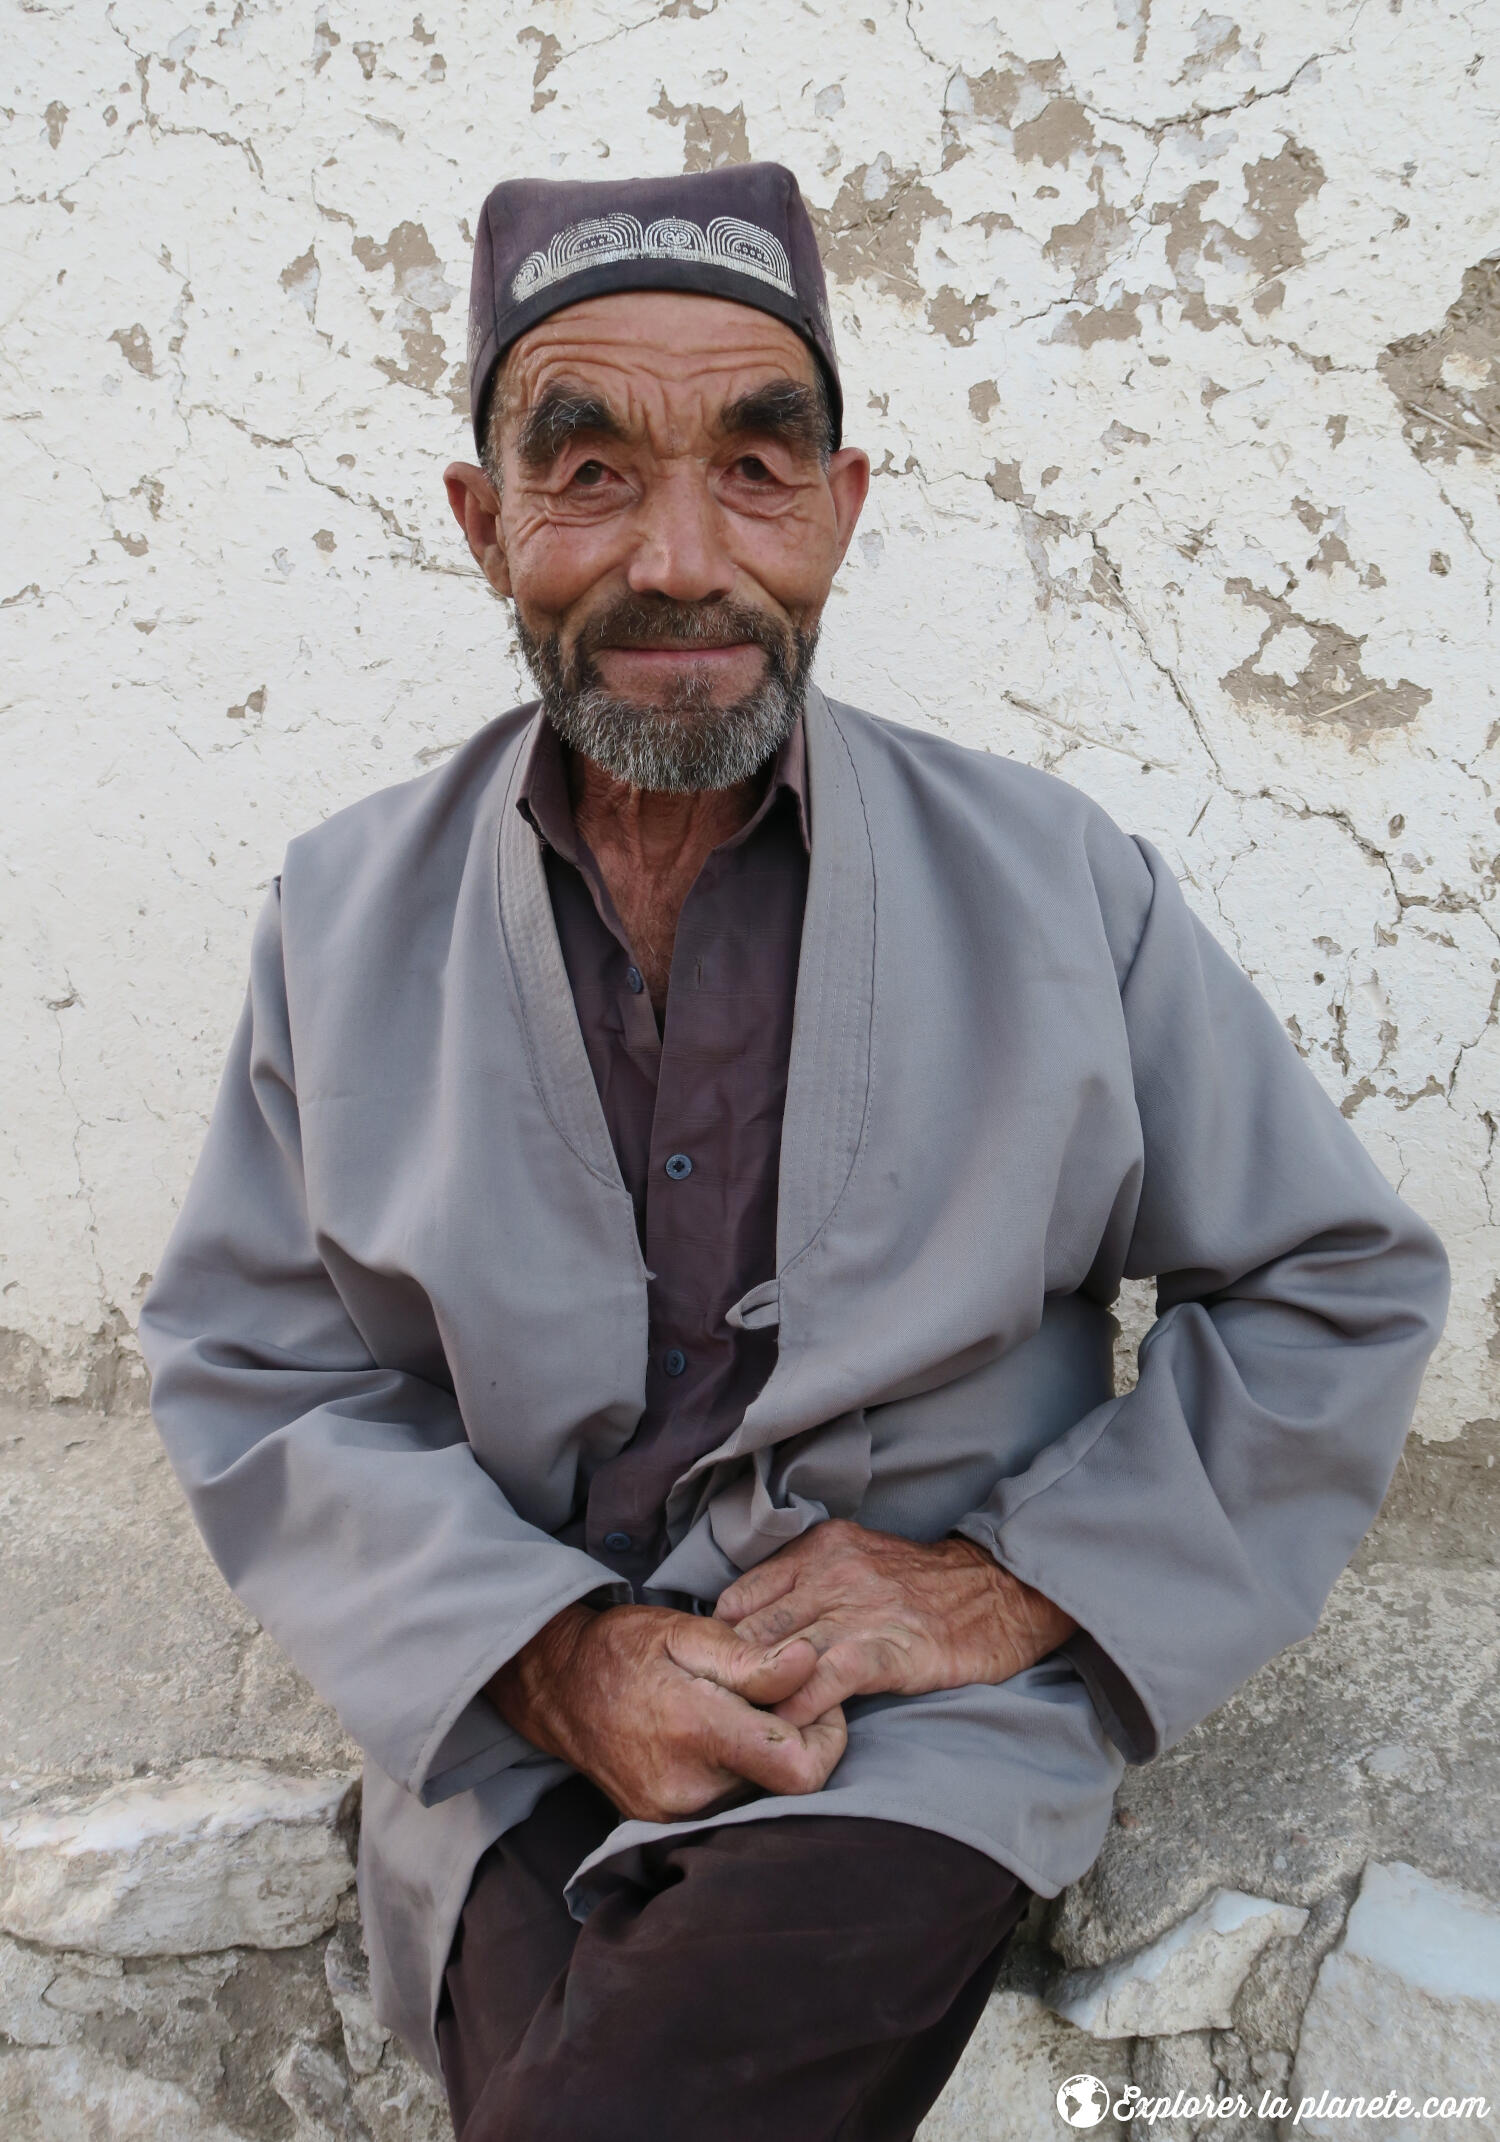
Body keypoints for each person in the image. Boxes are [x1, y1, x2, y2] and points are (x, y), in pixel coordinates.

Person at [139, 162, 1449, 2142]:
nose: (683, 559)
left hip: (907, 1740)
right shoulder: (341, 924)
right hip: (519, 1725)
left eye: (757, 469)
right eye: (589, 476)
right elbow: (261, 1366)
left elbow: (1330, 1282)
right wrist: (554, 1654)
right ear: (486, 527)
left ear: (838, 513)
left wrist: (1006, 1595)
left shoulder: (1055, 889)